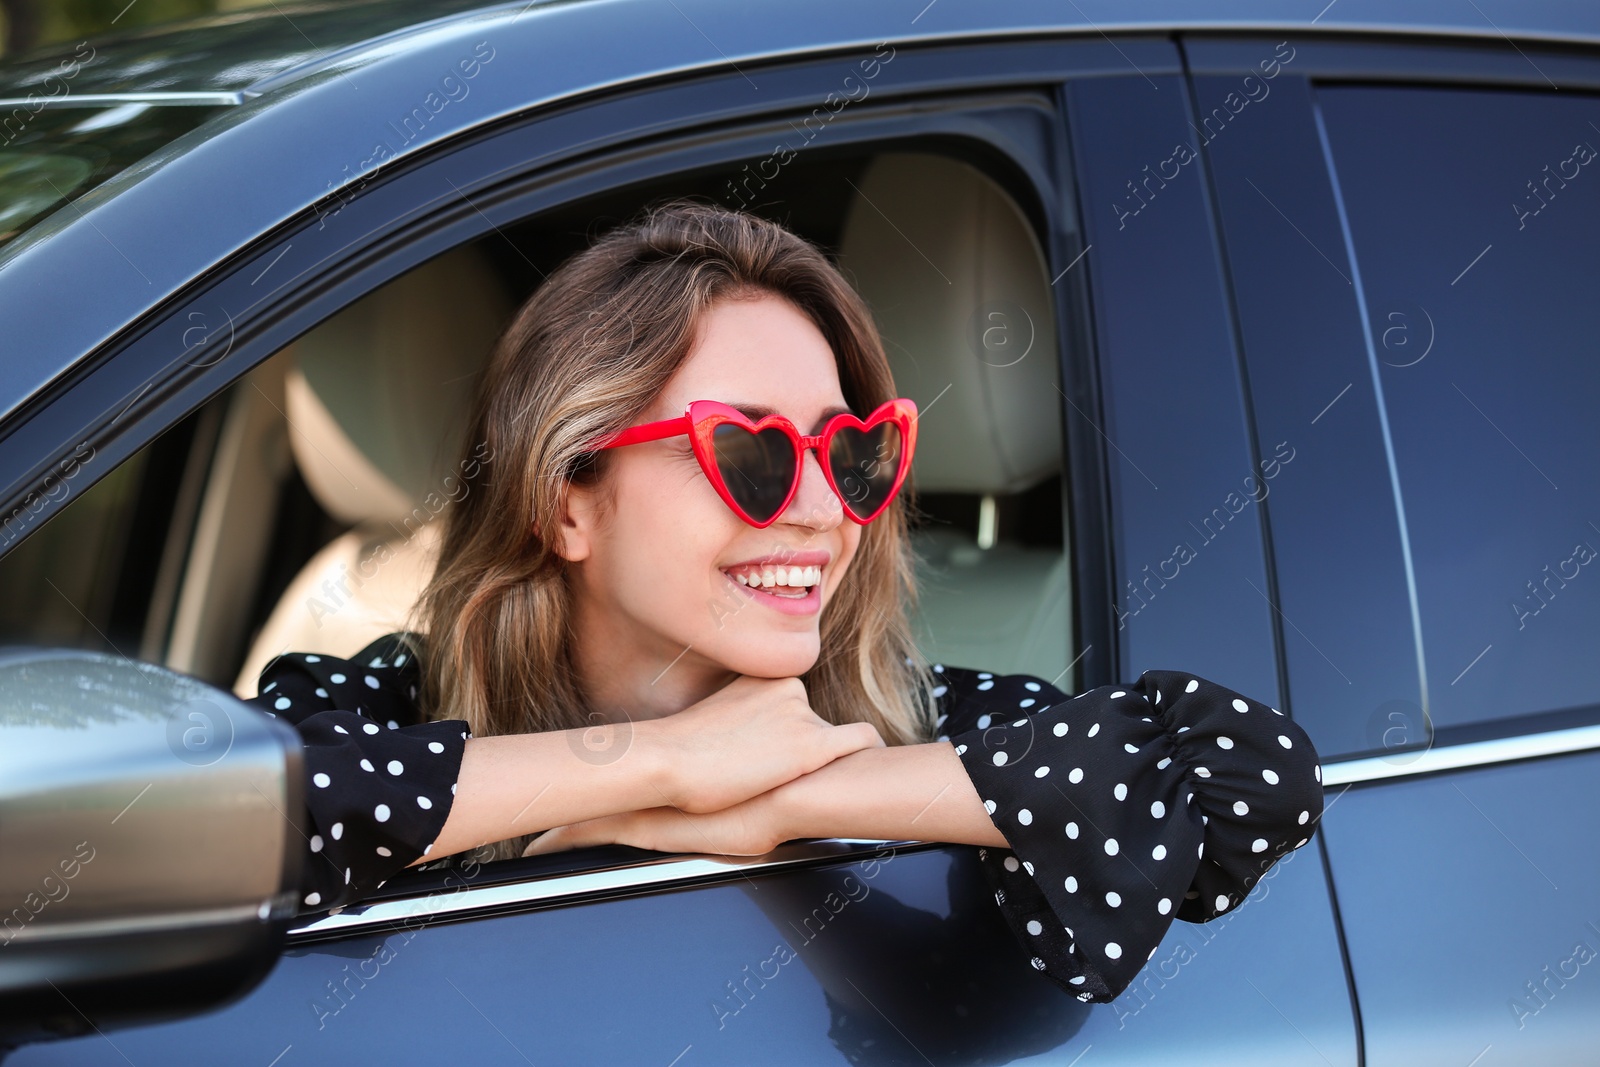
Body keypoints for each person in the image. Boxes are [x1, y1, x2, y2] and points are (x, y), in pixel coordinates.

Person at [244, 200, 1324, 1004]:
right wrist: (657, 764)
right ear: (565, 499)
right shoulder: (387, 696)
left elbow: (1246, 777)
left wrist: (784, 801)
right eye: (752, 450)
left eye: (852, 450)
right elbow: (218, 819)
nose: (821, 510)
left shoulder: (920, 725)